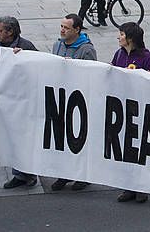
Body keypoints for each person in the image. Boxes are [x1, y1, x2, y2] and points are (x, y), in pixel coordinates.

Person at [50, 14, 96, 191]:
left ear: (77, 30)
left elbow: (92, 73)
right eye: (61, 26)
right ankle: (64, 174)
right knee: (61, 138)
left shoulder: (86, 49)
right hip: (61, 97)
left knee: (78, 138)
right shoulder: (57, 45)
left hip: (79, 99)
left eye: (66, 28)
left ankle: (82, 175)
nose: (62, 30)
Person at [111, 22, 150, 204]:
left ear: (130, 38)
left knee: (140, 148)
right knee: (125, 148)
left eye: (121, 34)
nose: (118, 37)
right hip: (122, 106)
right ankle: (128, 186)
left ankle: (142, 187)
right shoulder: (119, 54)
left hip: (140, 108)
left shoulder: (145, 56)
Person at [0, 16, 38, 189]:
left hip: (20, 101)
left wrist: (22, 58)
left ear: (10, 32)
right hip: (3, 98)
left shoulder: (26, 47)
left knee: (19, 137)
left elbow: (38, 69)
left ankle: (24, 174)